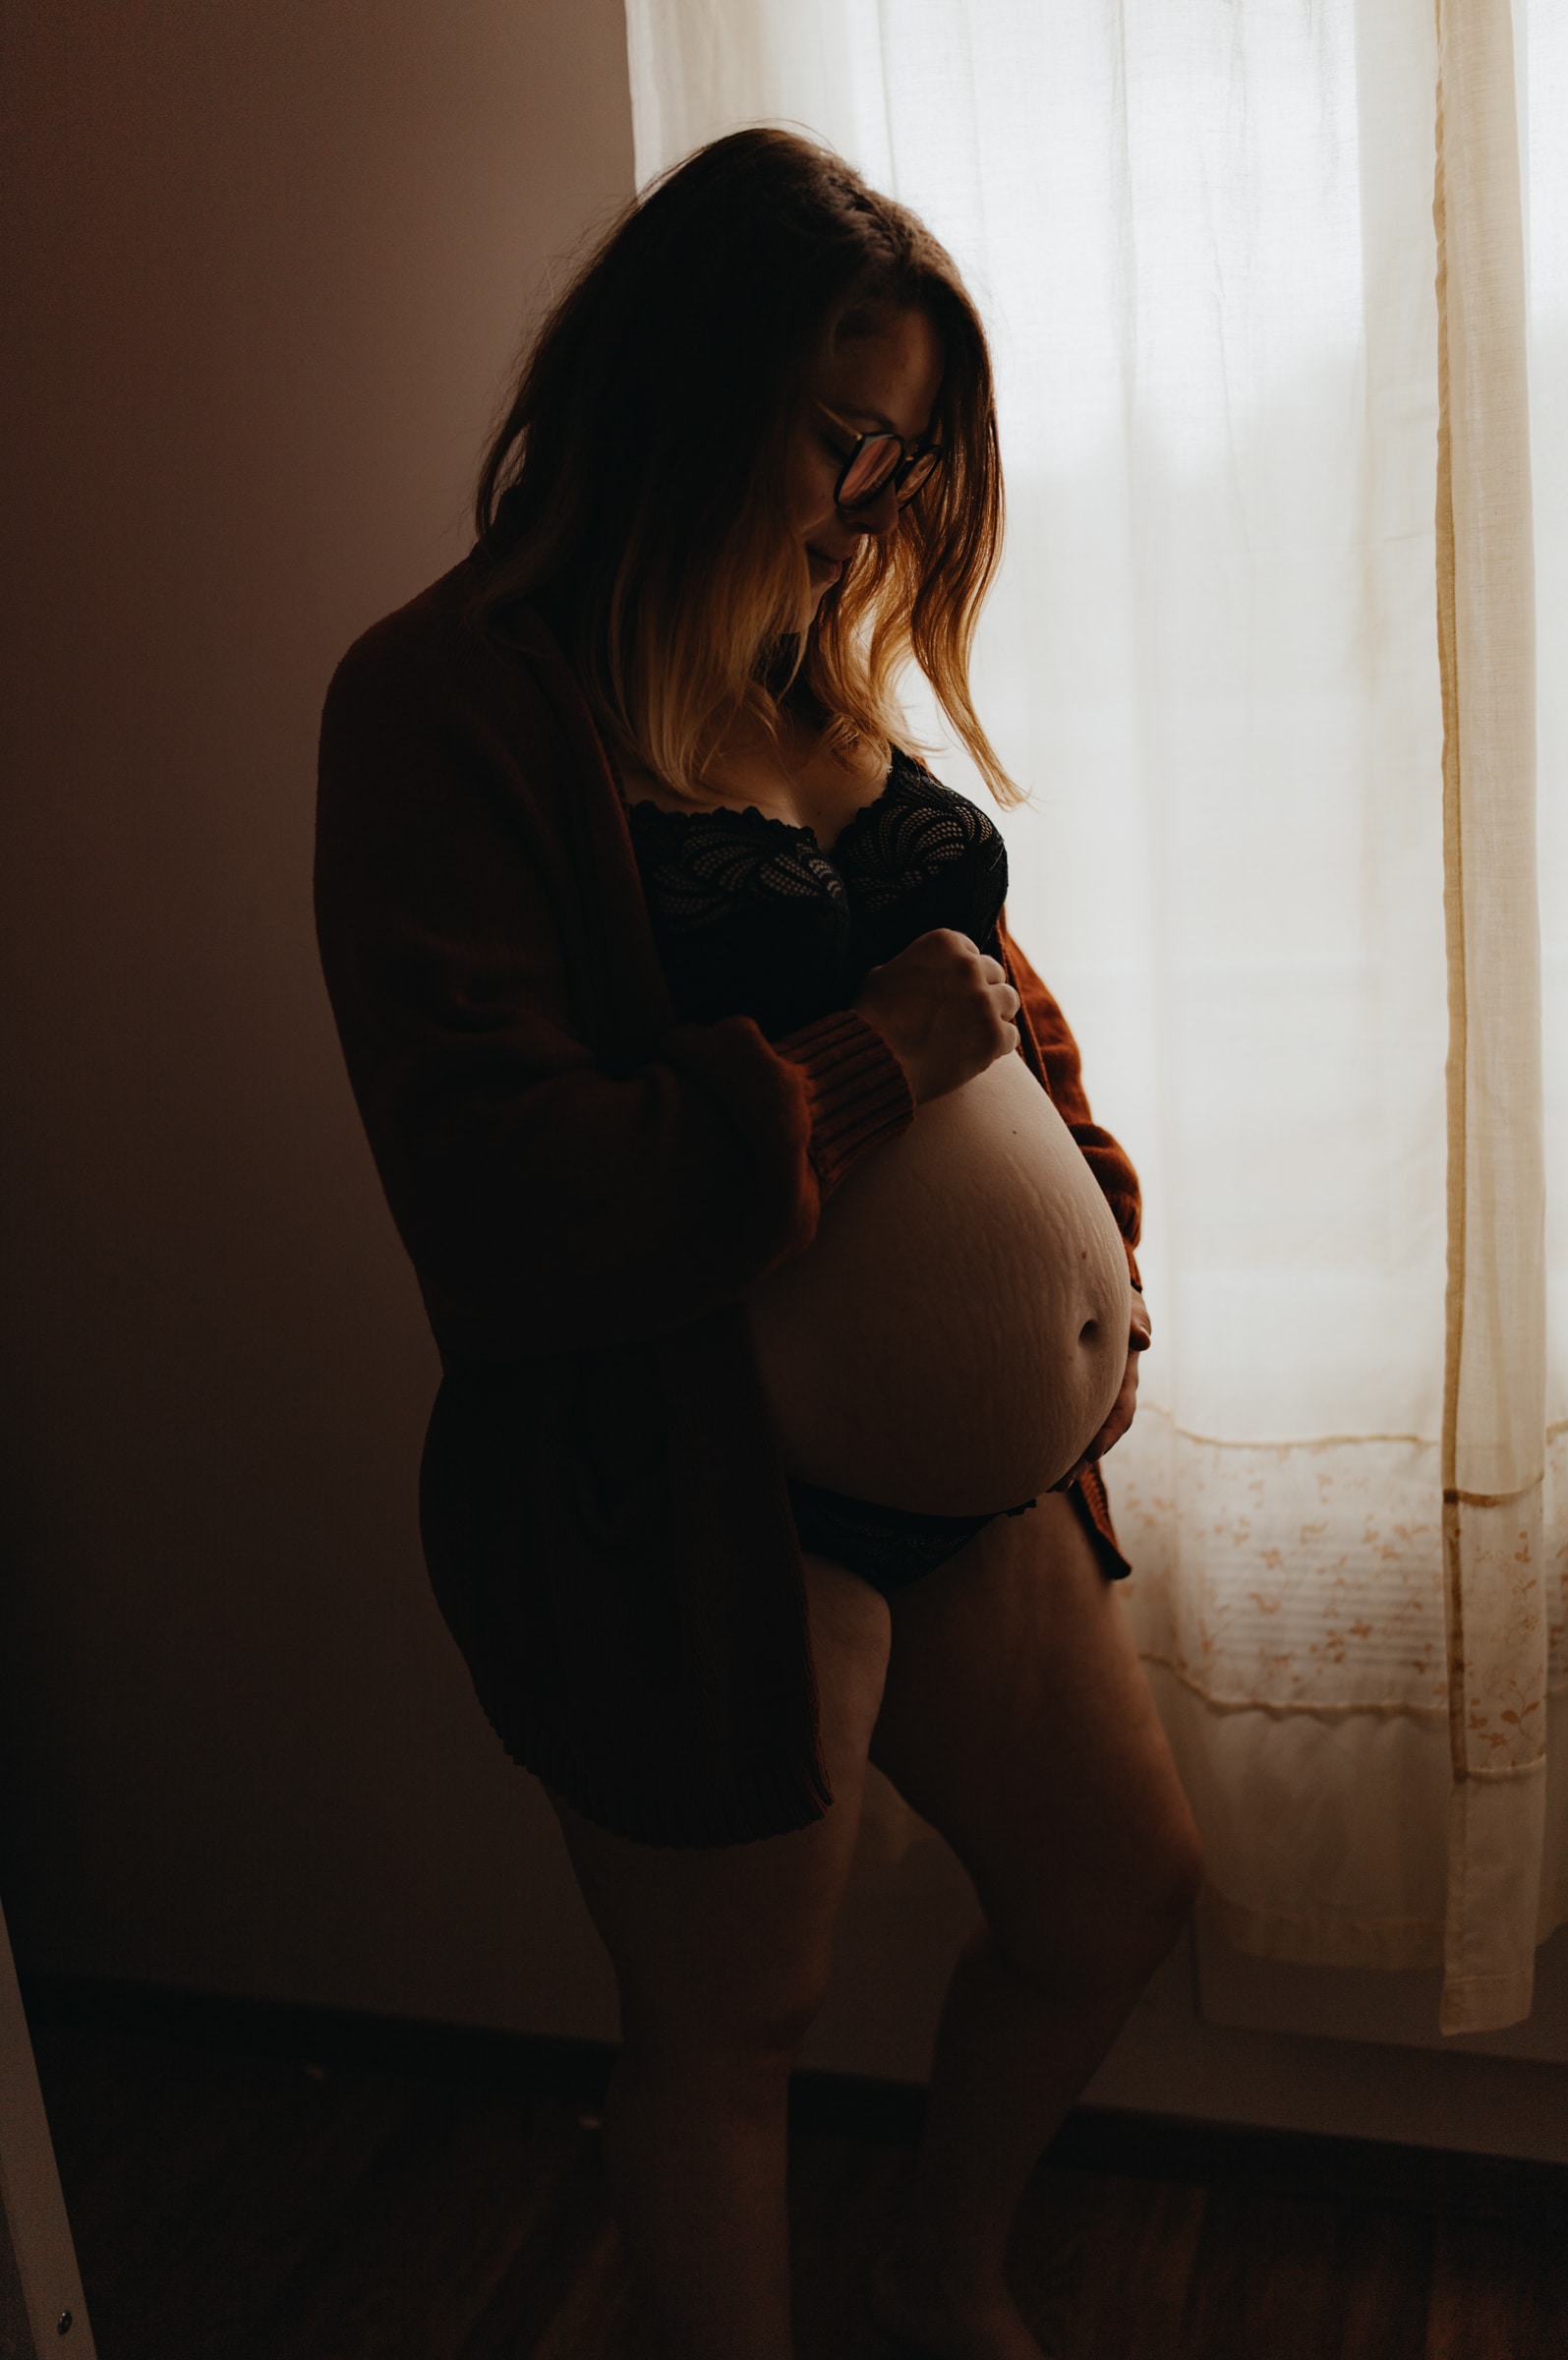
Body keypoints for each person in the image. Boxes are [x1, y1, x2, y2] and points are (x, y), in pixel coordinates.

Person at [316, 127, 1202, 2360]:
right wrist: (883, 1071)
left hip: (970, 1493)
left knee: (1110, 1900)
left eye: (897, 459)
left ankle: (944, 2272)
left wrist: (1079, 1232)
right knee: (731, 2030)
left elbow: (978, 976)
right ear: (683, 383)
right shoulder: (447, 707)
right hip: (696, 1493)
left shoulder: (802, 672)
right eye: (838, 437)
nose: (866, 502)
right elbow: (506, 1199)